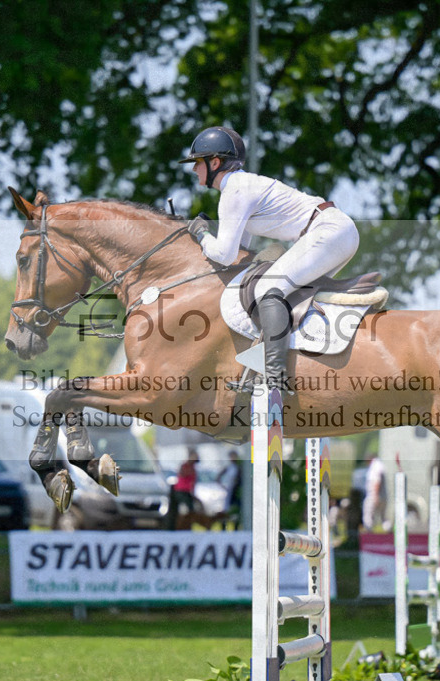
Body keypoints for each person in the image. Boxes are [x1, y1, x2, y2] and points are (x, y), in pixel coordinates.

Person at [179, 126, 360, 395]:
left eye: (197, 163)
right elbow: (239, 251)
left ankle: (274, 377)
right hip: (336, 231)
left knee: (267, 290)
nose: (194, 169)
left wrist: (202, 235)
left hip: (326, 232)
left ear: (214, 163)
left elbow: (226, 255)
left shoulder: (235, 191)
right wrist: (210, 239)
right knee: (291, 296)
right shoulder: (243, 186)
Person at [172, 447, 200, 522]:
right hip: (181, 490)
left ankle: (189, 523)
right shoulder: (185, 466)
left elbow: (193, 482)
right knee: (189, 508)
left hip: (187, 491)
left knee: (192, 508)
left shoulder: (193, 468)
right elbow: (182, 474)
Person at [362, 454, 386, 532]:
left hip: (374, 495)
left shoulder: (375, 466)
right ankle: (388, 532)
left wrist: (375, 496)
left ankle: (368, 534)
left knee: (368, 515)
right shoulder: (379, 465)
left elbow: (376, 481)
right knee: (383, 516)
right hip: (381, 495)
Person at [218, 449, 242, 526]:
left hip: (236, 492)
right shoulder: (229, 467)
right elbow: (218, 477)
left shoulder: (239, 467)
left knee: (235, 509)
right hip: (230, 491)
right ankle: (224, 525)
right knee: (227, 508)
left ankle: (235, 525)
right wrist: (224, 486)